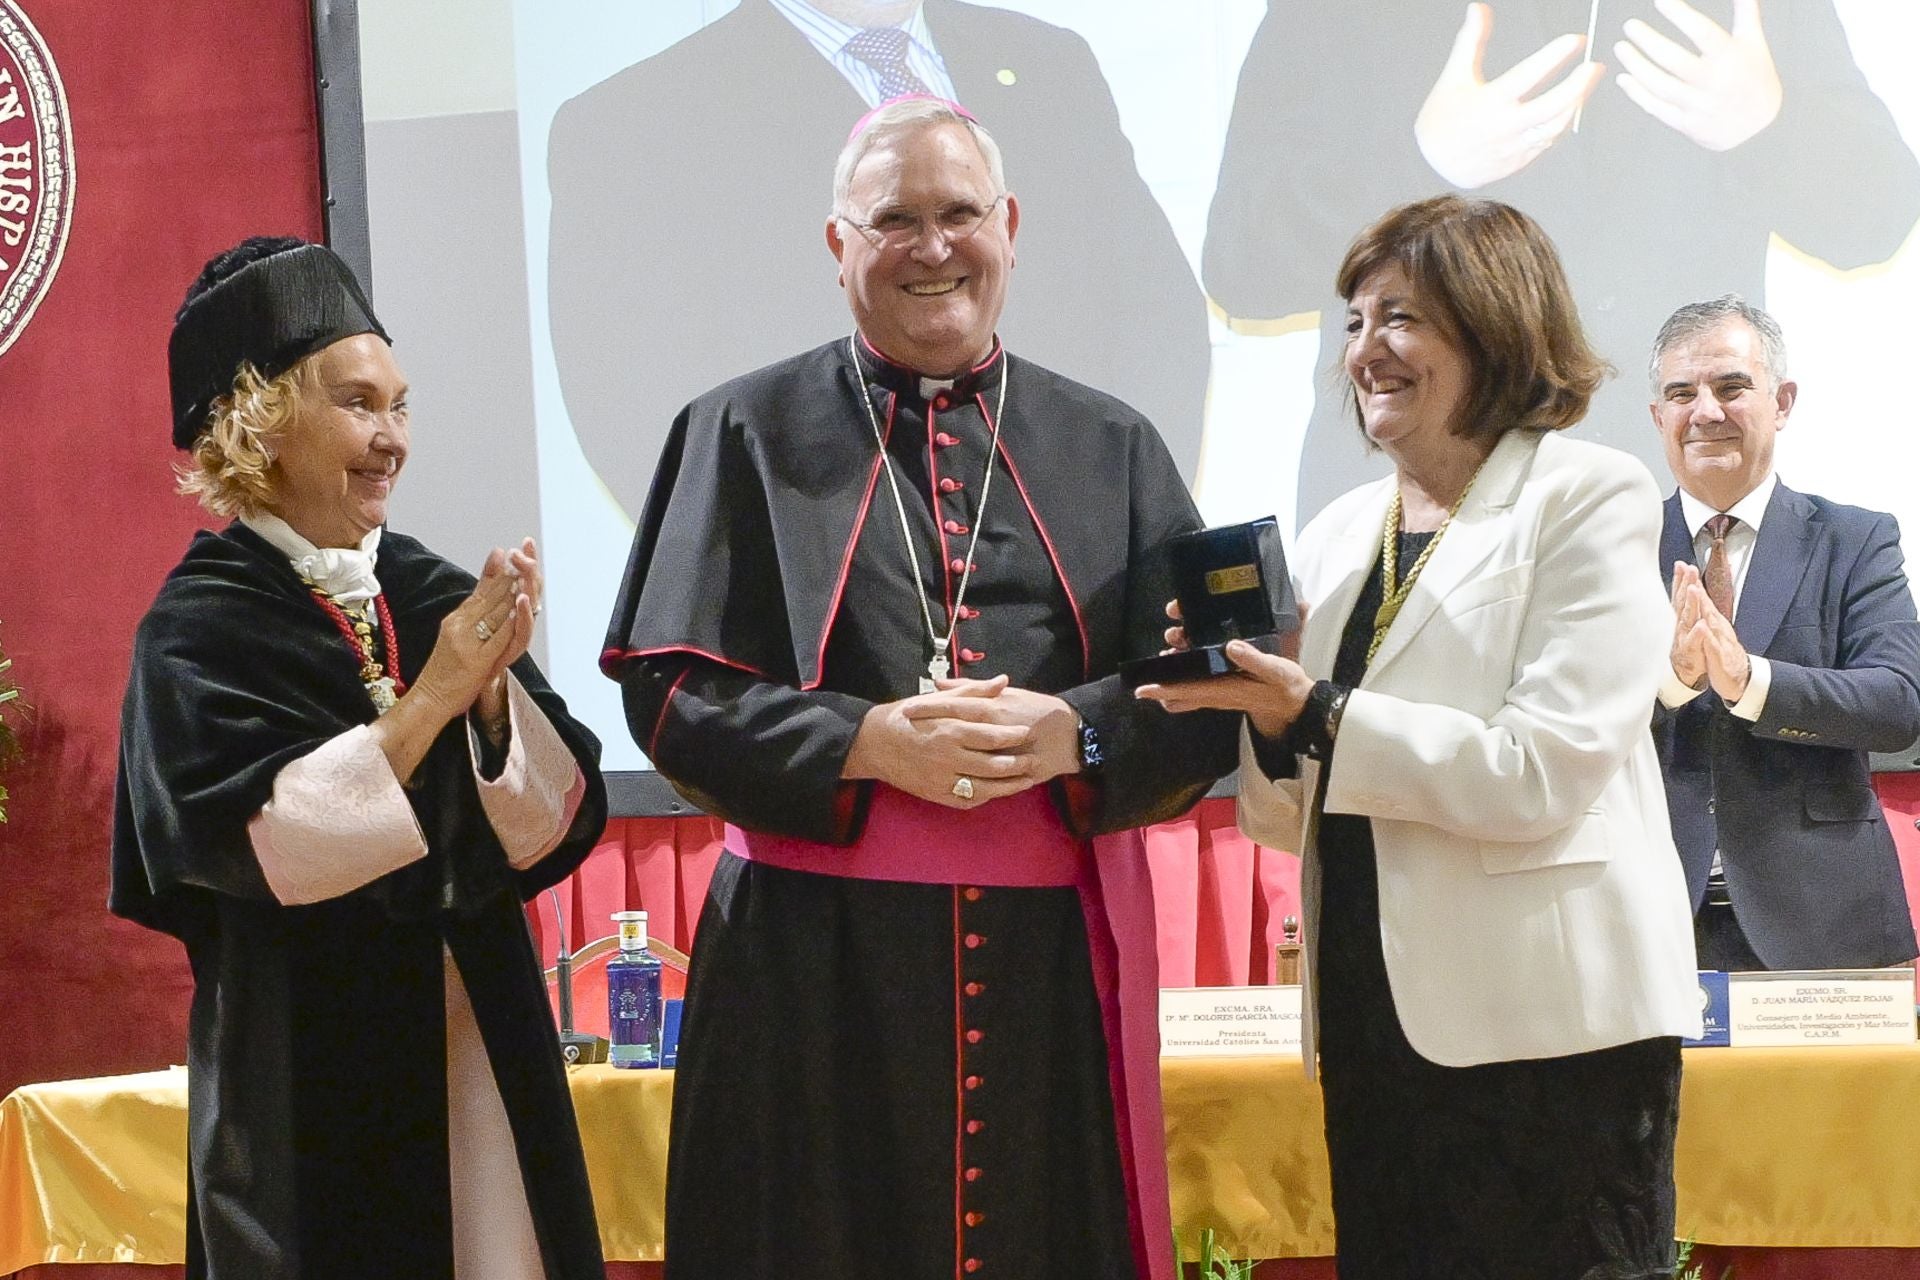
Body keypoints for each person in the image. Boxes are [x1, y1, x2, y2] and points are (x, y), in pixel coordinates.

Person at [601, 97, 1235, 1280]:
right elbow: (671, 697)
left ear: (1010, 225)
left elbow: (1203, 696)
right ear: (838, 245)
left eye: (960, 213)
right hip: (810, 970)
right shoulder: (737, 430)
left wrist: (1076, 733)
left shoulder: (1113, 443)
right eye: (896, 218)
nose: (934, 246)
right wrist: (863, 743)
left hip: (1047, 976)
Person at [1139, 196, 1700, 1277]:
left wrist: (1314, 709)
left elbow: (1538, 772)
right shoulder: (1341, 531)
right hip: (1375, 1026)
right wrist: (1257, 704)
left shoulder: (1591, 495)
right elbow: (1285, 813)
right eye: (1353, 322)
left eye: (1399, 317)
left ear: (1492, 324)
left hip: (1555, 1036)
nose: (1363, 351)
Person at [110, 237, 608, 1280]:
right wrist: (431, 696)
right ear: (259, 421)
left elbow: (560, 817)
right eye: (357, 404)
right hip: (302, 1082)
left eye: (401, 404)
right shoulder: (197, 628)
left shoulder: (430, 589)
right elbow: (273, 846)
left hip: (482, 1053)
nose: (392, 440)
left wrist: (486, 702)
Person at [1203, 0, 1920, 525]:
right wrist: (1415, 162)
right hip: (1419, 512)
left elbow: (1877, 218)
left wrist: (1767, 128)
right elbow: (1240, 267)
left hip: (1668, 519)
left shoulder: (1747, 8)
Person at [546, 0, 1211, 522]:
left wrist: (1114, 523)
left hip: (1067, 588)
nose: (931, 246)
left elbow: (1160, 316)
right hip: (828, 616)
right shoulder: (632, 120)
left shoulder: (1049, 61)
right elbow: (631, 406)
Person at [1648, 295, 1920, 971]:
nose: (1705, 411)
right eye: (1681, 393)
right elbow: (1561, 718)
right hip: (1644, 919)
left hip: (1823, 920)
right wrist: (1674, 681)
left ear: (1784, 401)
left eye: (1731, 387)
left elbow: (1896, 704)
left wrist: (1751, 681)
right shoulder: (1610, 547)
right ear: (1658, 416)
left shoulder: (1855, 539)